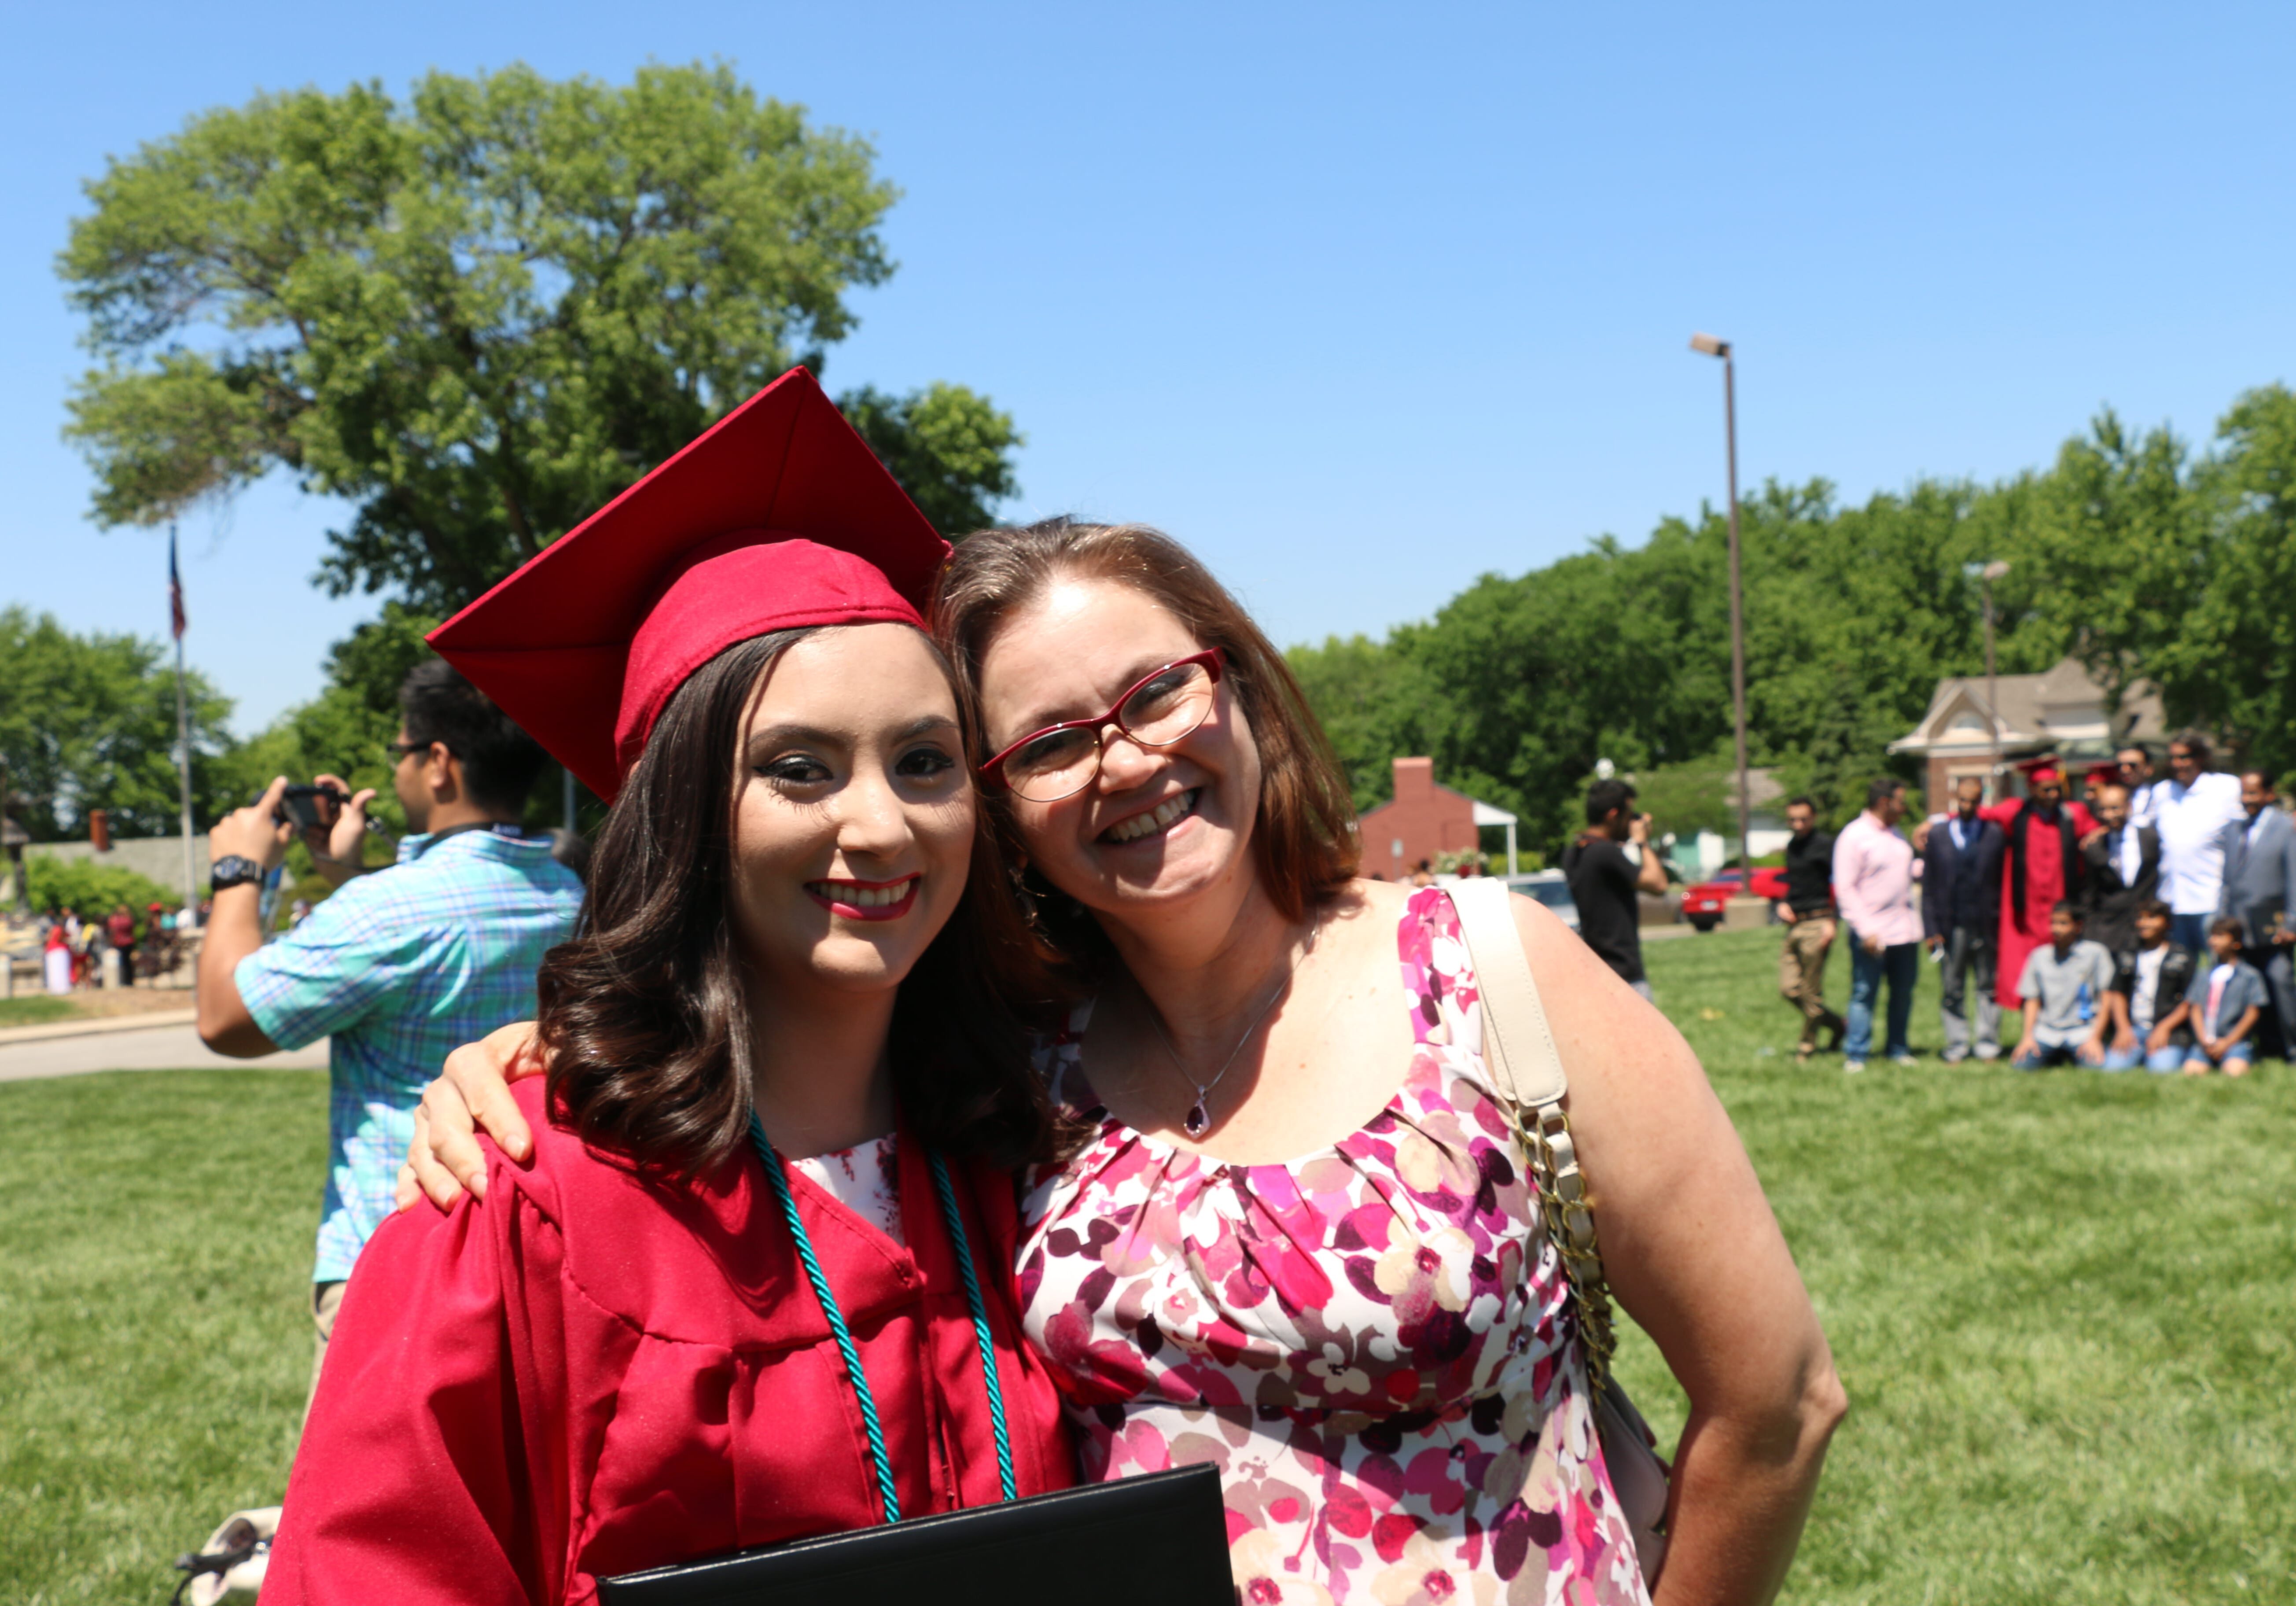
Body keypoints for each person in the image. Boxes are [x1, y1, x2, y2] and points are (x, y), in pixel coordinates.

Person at [413, 517, 1849, 1603]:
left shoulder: (1485, 967)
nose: (1122, 758)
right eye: (1047, 742)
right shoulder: (1008, 1066)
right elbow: (777, 1020)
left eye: (1155, 690)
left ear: (1237, 685)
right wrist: (535, 1054)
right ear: (999, 810)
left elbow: (1777, 1403)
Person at [266, 372, 1074, 1602]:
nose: (881, 825)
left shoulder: (1022, 1149)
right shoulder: (516, 1199)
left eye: (925, 760)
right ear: (686, 812)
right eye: (798, 769)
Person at [196, 656, 588, 1420]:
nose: (398, 769)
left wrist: (240, 871)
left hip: (399, 1256)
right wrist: (343, 873)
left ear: (439, 762)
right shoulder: (568, 891)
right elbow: (430, 946)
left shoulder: (387, 911)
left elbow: (226, 1017)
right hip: (538, 1246)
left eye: (402, 752)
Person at [1976, 758, 2096, 1017]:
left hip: (2059, 900)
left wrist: (2097, 833)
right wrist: (1934, 821)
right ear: (2031, 789)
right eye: (2046, 790)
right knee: (2021, 959)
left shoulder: (2072, 814)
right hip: (2026, 906)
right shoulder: (2015, 812)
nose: (2053, 795)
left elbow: (2097, 830)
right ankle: (2029, 1012)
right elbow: (1979, 813)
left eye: (2056, 789)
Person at [1834, 777, 1921, 1072]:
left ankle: (1898, 1049)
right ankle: (1857, 1054)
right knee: (1864, 994)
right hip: (1872, 934)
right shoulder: (1854, 836)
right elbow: (1845, 888)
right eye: (1901, 802)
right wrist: (1866, 930)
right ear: (1885, 803)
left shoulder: (1897, 834)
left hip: (1904, 931)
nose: (1905, 808)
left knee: (1902, 994)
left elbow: (1903, 872)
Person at [1920, 776, 2004, 1063]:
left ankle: (1987, 1044)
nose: (1968, 806)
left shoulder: (1994, 835)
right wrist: (1931, 928)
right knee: (1952, 987)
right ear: (1956, 799)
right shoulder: (1939, 835)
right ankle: (1956, 1045)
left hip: (1986, 923)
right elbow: (1929, 887)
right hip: (1950, 924)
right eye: (1964, 800)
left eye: (1974, 801)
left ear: (1982, 801)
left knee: (1988, 986)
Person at [1562, 776, 1669, 1002]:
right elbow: (1659, 885)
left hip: (1596, 970)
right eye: (1629, 814)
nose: (1632, 820)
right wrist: (1642, 842)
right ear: (1613, 815)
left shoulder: (1575, 852)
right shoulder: (1605, 852)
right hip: (1625, 974)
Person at [2215, 770, 2296, 1061]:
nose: (2247, 799)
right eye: (2244, 793)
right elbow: (2227, 881)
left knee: (2280, 979)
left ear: (2269, 794)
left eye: (2253, 793)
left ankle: (2292, 1046)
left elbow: (2294, 877)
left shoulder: (2285, 827)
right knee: (2245, 984)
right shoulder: (2234, 829)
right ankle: (2255, 1045)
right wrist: (2222, 920)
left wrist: (2292, 921)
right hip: (2239, 924)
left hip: (2273, 924)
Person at [2152, 729, 2244, 955]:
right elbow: (2139, 826)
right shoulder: (2162, 791)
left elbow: (2248, 828)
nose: (2177, 764)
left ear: (2200, 758)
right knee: (2181, 968)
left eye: (2184, 757)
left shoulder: (2225, 787)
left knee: (2216, 965)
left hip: (2211, 899)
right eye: (2173, 758)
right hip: (2173, 899)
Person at [1776, 796, 1846, 1059]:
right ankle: (1838, 1025)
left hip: (1819, 923)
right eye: (1792, 820)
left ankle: (1806, 1049)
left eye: (1803, 819)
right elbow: (1795, 884)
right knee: (1789, 989)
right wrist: (1784, 904)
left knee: (1810, 992)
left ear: (1814, 818)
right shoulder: (1792, 846)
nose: (1798, 825)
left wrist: (1833, 921)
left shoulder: (1826, 845)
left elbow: (1841, 884)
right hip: (1795, 924)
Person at [2009, 901, 2114, 1070]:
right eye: (2053, 923)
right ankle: (2054, 1054)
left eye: (2063, 923)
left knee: (2096, 1067)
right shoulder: (2039, 956)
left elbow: (2107, 999)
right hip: (2047, 1032)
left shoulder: (2096, 953)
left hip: (2082, 1031)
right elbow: (2032, 1000)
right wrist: (2027, 1037)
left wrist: (2095, 1039)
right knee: (2021, 1066)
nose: (2056, 929)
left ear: (2078, 926)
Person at [2102, 899, 2195, 1072]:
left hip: (2169, 1030)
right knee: (2112, 1071)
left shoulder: (2182, 957)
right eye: (2141, 918)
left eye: (2152, 918)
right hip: (2133, 1029)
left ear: (2167, 923)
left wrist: (2164, 1027)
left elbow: (2189, 1001)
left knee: (2162, 1071)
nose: (2144, 923)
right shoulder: (2128, 954)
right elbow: (2118, 993)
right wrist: (2123, 1029)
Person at [2079, 782, 2159, 957]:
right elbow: (2090, 894)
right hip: (2109, 931)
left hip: (2145, 928)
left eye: (2115, 808)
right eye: (2103, 810)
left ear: (2129, 806)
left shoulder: (2151, 839)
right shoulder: (2095, 847)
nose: (2108, 815)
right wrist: (2090, 933)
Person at [2183, 916, 2265, 1076]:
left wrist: (2228, 1042)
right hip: (2205, 1043)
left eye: (2220, 936)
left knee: (2234, 1072)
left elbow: (2253, 1013)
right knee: (2192, 1073)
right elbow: (2195, 1008)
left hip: (2236, 1043)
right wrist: (2204, 1040)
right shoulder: (2204, 974)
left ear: (2236, 943)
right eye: (2212, 936)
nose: (2213, 941)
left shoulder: (2250, 976)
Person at [2116, 743, 2161, 830]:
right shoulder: (2112, 797)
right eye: (2119, 766)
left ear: (2149, 769)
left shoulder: (2159, 796)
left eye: (2132, 765)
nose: (2124, 770)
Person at [104, 902, 137, 986]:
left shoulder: (116, 920)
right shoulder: (129, 919)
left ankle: (122, 980)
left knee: (121, 962)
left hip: (119, 943)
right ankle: (129, 980)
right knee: (128, 962)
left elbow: (112, 929)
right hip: (129, 942)